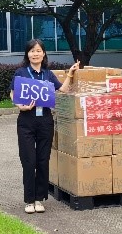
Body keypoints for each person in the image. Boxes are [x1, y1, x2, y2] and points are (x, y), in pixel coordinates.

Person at [11, 38, 79, 214]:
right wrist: (20, 106)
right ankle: (29, 200)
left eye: (38, 51)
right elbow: (13, 93)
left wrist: (70, 74)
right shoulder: (21, 72)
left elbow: (63, 89)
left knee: (43, 160)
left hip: (45, 122)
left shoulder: (48, 74)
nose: (35, 54)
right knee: (28, 161)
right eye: (32, 51)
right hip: (26, 121)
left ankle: (39, 199)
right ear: (27, 54)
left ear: (43, 54)